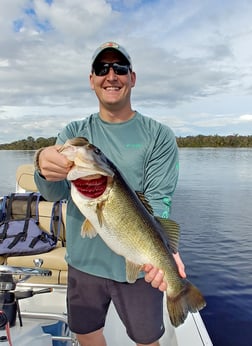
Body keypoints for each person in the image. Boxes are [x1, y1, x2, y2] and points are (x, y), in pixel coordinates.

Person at [34, 41, 186, 346]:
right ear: (92, 80)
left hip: (140, 268)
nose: (111, 75)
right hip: (83, 264)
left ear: (132, 77)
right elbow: (52, 192)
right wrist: (40, 163)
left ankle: (179, 295)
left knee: (147, 340)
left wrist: (164, 250)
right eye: (102, 68)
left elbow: (158, 202)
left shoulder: (158, 136)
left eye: (120, 68)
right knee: (87, 333)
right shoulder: (75, 132)